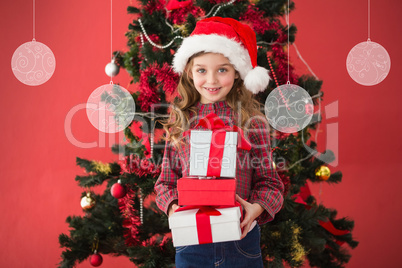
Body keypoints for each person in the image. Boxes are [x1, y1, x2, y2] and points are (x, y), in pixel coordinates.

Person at [155, 17, 284, 267]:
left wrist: (255, 209)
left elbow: (271, 184)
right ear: (190, 74)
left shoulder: (252, 122)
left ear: (237, 73)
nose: (212, 80)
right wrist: (174, 210)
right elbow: (165, 182)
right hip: (192, 243)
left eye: (222, 69)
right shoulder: (182, 120)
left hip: (241, 240)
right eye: (202, 70)